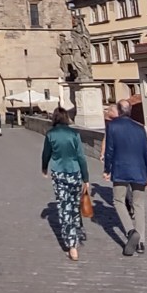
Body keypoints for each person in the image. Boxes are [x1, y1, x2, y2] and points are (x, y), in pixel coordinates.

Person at [103, 99, 147, 255]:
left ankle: (131, 231)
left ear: (119, 111)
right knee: (139, 204)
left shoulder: (112, 126)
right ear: (130, 111)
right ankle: (141, 243)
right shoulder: (140, 128)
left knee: (118, 200)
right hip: (139, 170)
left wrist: (107, 169)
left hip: (120, 170)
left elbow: (109, 150)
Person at [41, 107, 90, 261]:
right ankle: (77, 232)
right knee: (74, 205)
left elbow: (46, 153)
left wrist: (44, 168)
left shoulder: (51, 134)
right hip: (74, 172)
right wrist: (86, 178)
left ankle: (72, 245)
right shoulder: (74, 134)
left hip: (59, 173)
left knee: (64, 207)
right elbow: (81, 157)